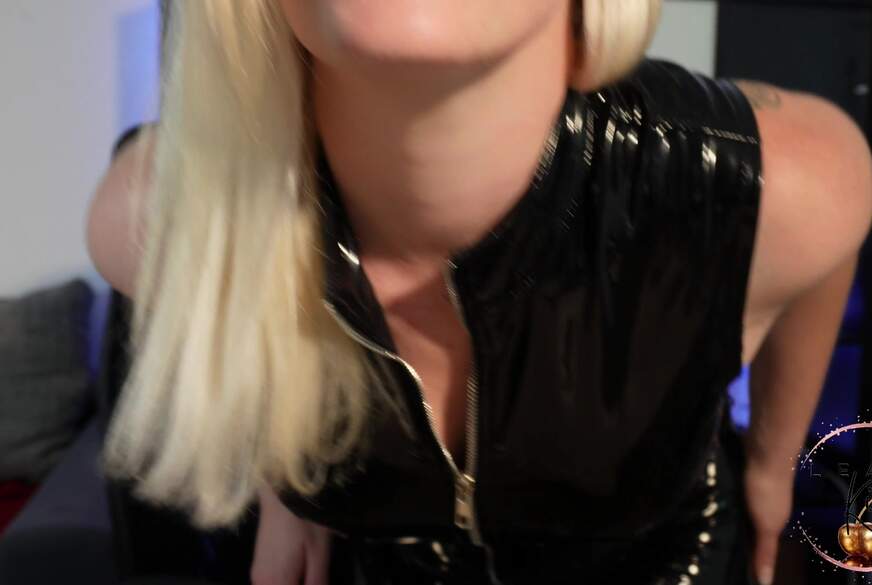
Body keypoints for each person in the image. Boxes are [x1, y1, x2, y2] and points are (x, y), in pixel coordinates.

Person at [86, 0, 872, 583]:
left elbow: (825, 245)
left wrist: (771, 467)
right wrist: (286, 476)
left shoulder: (762, 182)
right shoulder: (163, 229)